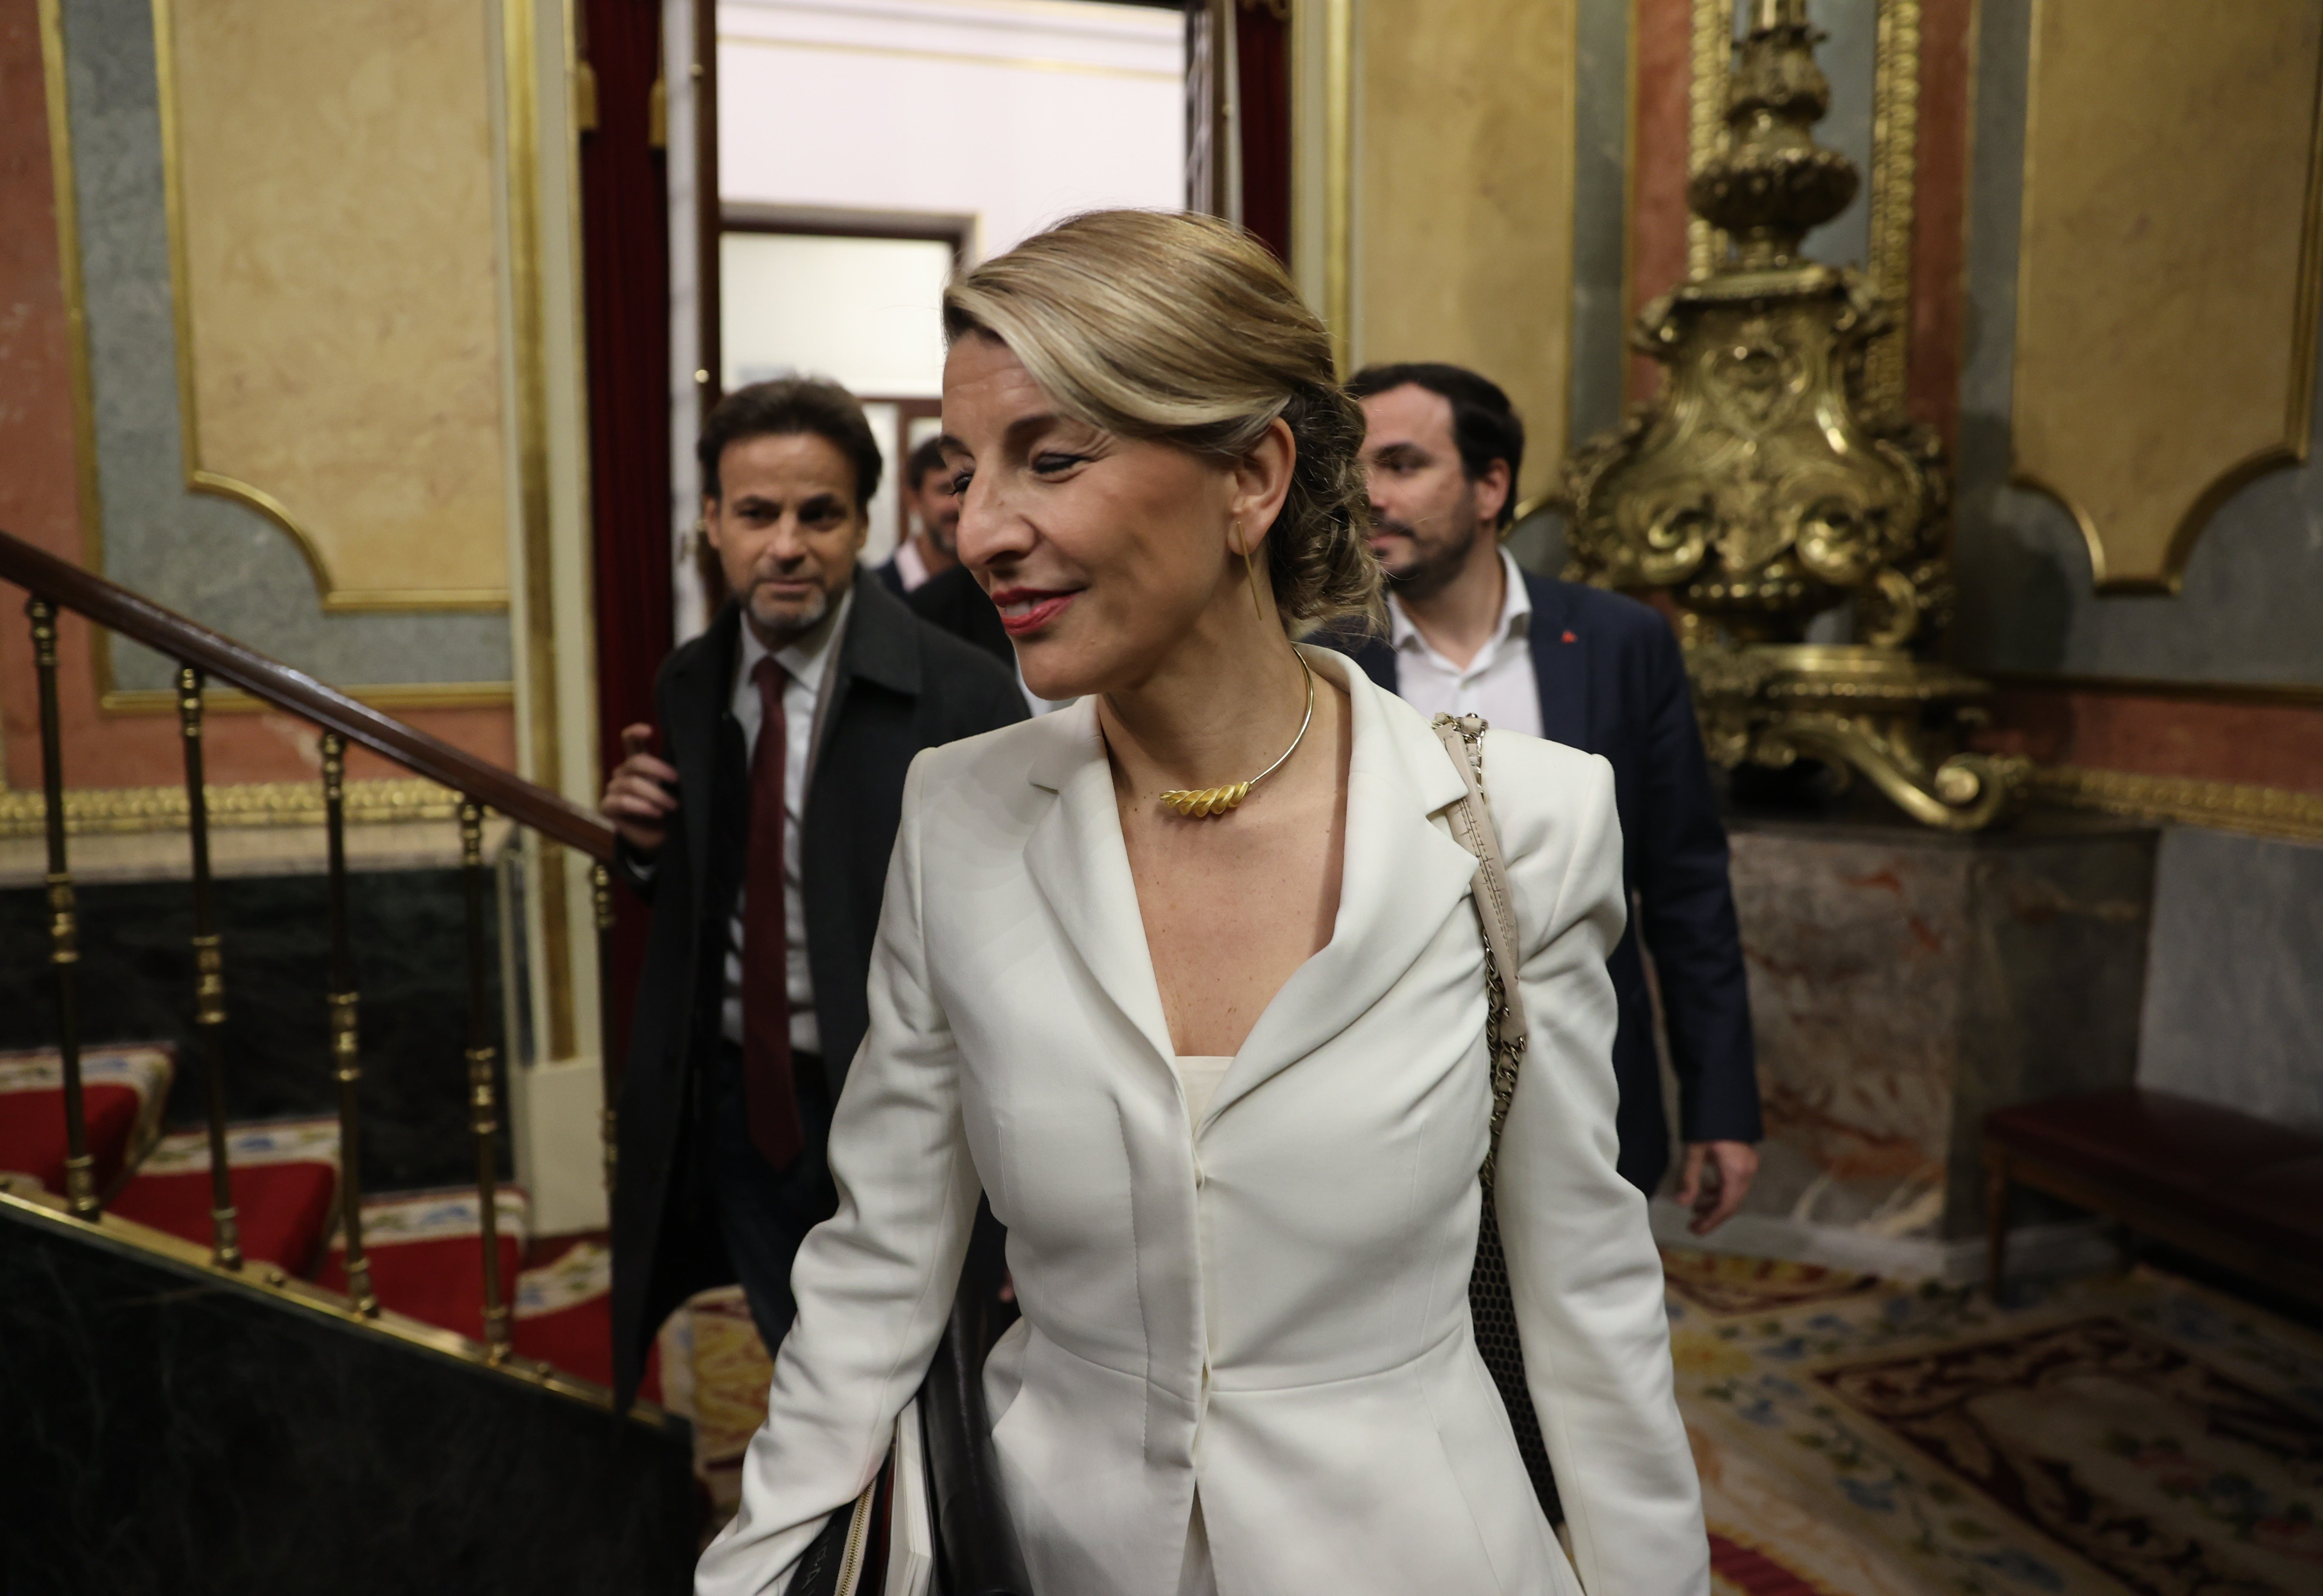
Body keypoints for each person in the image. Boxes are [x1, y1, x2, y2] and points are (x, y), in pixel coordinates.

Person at [697, 212, 1705, 1596]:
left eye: (1051, 459)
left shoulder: (1521, 825)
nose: (980, 531)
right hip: (1054, 1552)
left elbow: (1588, 1293)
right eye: (967, 471)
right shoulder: (961, 814)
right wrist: (757, 1569)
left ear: (1252, 477)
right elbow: (879, 1268)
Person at [600, 378, 1026, 1392]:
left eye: (818, 515)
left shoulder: (964, 692)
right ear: (712, 522)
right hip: (739, 1106)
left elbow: (1021, 940)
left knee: (920, 1384)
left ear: (861, 525)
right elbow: (718, 891)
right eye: (756, 514)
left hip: (900, 1114)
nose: (786, 546)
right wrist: (648, 846)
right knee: (797, 1359)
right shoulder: (689, 680)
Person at [1320, 361, 1763, 1231]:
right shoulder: (1325, 660)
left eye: (1402, 465)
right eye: (1353, 470)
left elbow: (1685, 885)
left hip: (1588, 1080)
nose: (1367, 495)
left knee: (1586, 1311)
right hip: (1391, 1095)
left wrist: (1721, 1104)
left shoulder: (1619, 643)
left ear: (1491, 486)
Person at [875, 435, 963, 595]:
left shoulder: (990, 589)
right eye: (945, 490)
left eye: (965, 488)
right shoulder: (877, 592)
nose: (957, 505)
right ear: (914, 499)